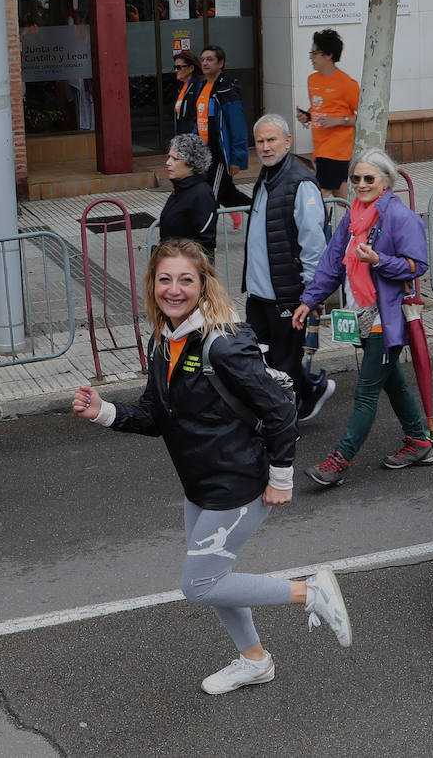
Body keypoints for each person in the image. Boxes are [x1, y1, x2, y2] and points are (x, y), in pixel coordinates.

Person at [71, 238, 352, 695]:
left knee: (200, 584)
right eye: (165, 279)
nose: (174, 289)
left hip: (238, 483)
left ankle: (310, 591)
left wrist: (281, 478)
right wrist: (103, 411)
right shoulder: (164, 340)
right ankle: (255, 661)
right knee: (217, 581)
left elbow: (281, 411)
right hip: (199, 484)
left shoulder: (222, 344)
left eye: (186, 279)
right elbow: (155, 414)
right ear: (152, 284)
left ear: (203, 285)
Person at [296, 148, 432, 485]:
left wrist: (380, 262)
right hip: (359, 313)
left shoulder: (400, 218)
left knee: (366, 391)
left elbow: (418, 265)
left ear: (386, 181)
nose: (360, 184)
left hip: (386, 317)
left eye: (368, 178)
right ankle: (419, 442)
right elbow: (330, 263)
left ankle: (338, 462)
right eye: (355, 178)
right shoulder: (353, 215)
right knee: (391, 382)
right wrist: (309, 300)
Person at [243, 113, 335, 422]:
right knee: (263, 358)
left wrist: (312, 292)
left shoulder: (299, 181)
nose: (266, 147)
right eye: (260, 141)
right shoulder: (269, 175)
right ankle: (310, 391)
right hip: (260, 293)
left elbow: (313, 242)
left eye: (272, 140)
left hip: (286, 294)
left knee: (282, 363)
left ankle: (284, 423)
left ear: (288, 141)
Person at [189, 45, 252, 219]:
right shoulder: (201, 86)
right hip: (204, 154)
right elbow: (199, 121)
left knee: (209, 198)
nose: (205, 63)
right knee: (228, 195)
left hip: (219, 156)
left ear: (221, 63)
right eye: (203, 59)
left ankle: (208, 243)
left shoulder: (227, 89)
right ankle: (264, 216)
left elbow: (238, 126)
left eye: (210, 59)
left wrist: (236, 159)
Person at [295, 29, 359, 199]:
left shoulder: (347, 84)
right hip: (319, 149)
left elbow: (364, 118)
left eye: (315, 53)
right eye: (311, 52)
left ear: (329, 55)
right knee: (343, 197)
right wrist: (307, 116)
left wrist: (338, 120)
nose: (311, 57)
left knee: (317, 196)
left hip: (337, 151)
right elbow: (318, 107)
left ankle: (317, 225)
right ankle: (365, 220)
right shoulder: (312, 80)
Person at [158, 133, 218, 258]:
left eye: (175, 159)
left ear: (191, 164)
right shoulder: (180, 189)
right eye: (169, 157)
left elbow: (205, 242)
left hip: (189, 270)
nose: (168, 162)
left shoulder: (201, 193)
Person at [172, 48, 203, 138]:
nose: (176, 70)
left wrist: (192, 137)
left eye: (179, 67)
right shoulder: (182, 88)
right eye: (175, 67)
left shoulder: (198, 86)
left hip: (193, 140)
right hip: (182, 138)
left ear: (191, 68)